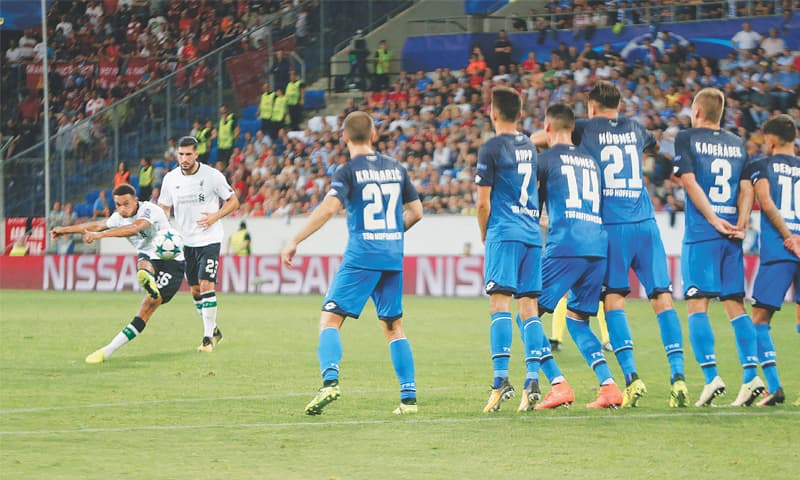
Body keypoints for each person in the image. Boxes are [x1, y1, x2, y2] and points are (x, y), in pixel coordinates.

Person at [280, 111, 423, 415]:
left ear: (344, 137)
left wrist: (295, 240)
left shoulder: (347, 171)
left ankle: (330, 382)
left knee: (330, 319)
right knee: (393, 326)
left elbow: (329, 208)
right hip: (392, 255)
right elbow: (417, 212)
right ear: (374, 135)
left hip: (362, 255)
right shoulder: (396, 169)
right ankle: (408, 399)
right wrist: (393, 233)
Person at [567, 82, 687, 407]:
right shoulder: (636, 127)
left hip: (613, 226)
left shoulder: (584, 128)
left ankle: (632, 379)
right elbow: (653, 145)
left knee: (614, 299)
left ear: (591, 107)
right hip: (646, 223)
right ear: (619, 105)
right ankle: (678, 377)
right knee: (662, 296)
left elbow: (553, 136)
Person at [673, 87, 764, 407]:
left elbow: (689, 182)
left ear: (697, 112)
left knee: (697, 304)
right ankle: (751, 375)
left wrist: (712, 219)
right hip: (732, 235)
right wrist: (739, 222)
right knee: (735, 305)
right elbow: (746, 187)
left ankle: (711, 378)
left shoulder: (687, 138)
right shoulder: (738, 143)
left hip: (703, 233)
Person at [536, 103, 622, 409]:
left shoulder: (544, 160)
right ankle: (609, 386)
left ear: (547, 128)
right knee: (577, 320)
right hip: (598, 245)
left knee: (527, 313)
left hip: (566, 244)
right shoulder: (592, 161)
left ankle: (557, 384)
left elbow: (532, 207)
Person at [50, 184, 185, 363]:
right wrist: (63, 230)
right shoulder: (118, 217)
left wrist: (99, 236)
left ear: (136, 200)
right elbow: (97, 225)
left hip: (171, 260)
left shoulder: (149, 210)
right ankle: (107, 351)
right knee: (145, 281)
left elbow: (134, 229)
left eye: (126, 204)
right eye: (118, 205)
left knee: (148, 296)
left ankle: (149, 280)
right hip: (148, 255)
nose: (122, 209)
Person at [476, 86, 545, 413]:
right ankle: (533, 379)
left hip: (504, 231)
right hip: (532, 234)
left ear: (493, 112)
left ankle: (501, 380)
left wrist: (484, 234)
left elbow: (482, 203)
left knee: (499, 303)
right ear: (519, 113)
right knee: (529, 307)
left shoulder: (490, 148)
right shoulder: (530, 146)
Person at [159, 136, 240, 353]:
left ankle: (207, 339)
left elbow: (234, 201)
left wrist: (215, 216)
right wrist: (165, 231)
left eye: (188, 154)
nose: (184, 158)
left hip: (210, 239)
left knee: (206, 284)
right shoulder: (170, 179)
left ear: (196, 154)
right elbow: (164, 208)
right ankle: (214, 330)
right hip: (186, 242)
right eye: (181, 154)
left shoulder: (212, 176)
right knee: (195, 290)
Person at [742, 114, 799, 406]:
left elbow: (765, 201)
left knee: (759, 319)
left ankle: (774, 387)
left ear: (772, 140)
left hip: (781, 248)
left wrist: (791, 236)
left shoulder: (761, 166)